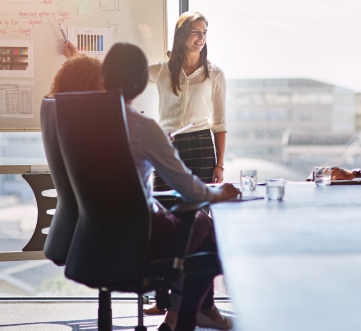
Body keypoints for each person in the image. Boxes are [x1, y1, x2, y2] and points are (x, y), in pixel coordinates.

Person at [101, 42, 238, 331]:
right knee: (209, 239)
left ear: (105, 77)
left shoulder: (85, 123)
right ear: (141, 84)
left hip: (97, 236)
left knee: (198, 225)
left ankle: (181, 316)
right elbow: (191, 190)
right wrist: (220, 193)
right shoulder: (144, 129)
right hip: (142, 236)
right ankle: (183, 320)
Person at [148, 11, 227, 186]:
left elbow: (219, 124)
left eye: (204, 32)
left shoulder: (215, 74)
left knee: (198, 210)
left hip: (202, 148)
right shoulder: (161, 71)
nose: (201, 37)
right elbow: (121, 75)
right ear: (182, 34)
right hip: (167, 146)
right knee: (163, 204)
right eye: (195, 31)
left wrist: (219, 165)